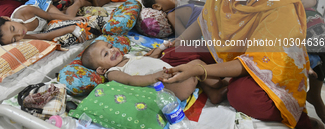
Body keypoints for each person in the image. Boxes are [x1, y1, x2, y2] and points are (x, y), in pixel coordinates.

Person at [159, 0, 316, 128]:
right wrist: (176, 43)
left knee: (244, 96)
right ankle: (217, 86)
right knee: (172, 55)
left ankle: (219, 81)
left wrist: (201, 71)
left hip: (261, 69)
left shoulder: (281, 6)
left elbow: (253, 63)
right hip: (230, 54)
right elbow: (205, 18)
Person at [81, 40, 228, 103]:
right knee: (196, 65)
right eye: (105, 54)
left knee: (195, 69)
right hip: (169, 85)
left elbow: (149, 59)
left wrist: (161, 48)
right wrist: (155, 77)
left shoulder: (127, 57)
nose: (112, 51)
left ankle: (214, 94)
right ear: (101, 69)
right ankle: (220, 83)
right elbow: (132, 80)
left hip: (172, 77)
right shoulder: (113, 71)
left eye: (110, 46)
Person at [0, 0, 91, 47]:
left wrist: (73, 20)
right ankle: (65, 9)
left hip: (40, 7)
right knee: (62, 21)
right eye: (14, 39)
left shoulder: (24, 12)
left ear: (6, 18)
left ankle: (78, 2)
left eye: (13, 28)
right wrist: (71, 28)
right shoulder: (21, 36)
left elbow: (49, 15)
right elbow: (44, 36)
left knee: (66, 16)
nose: (19, 34)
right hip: (43, 19)